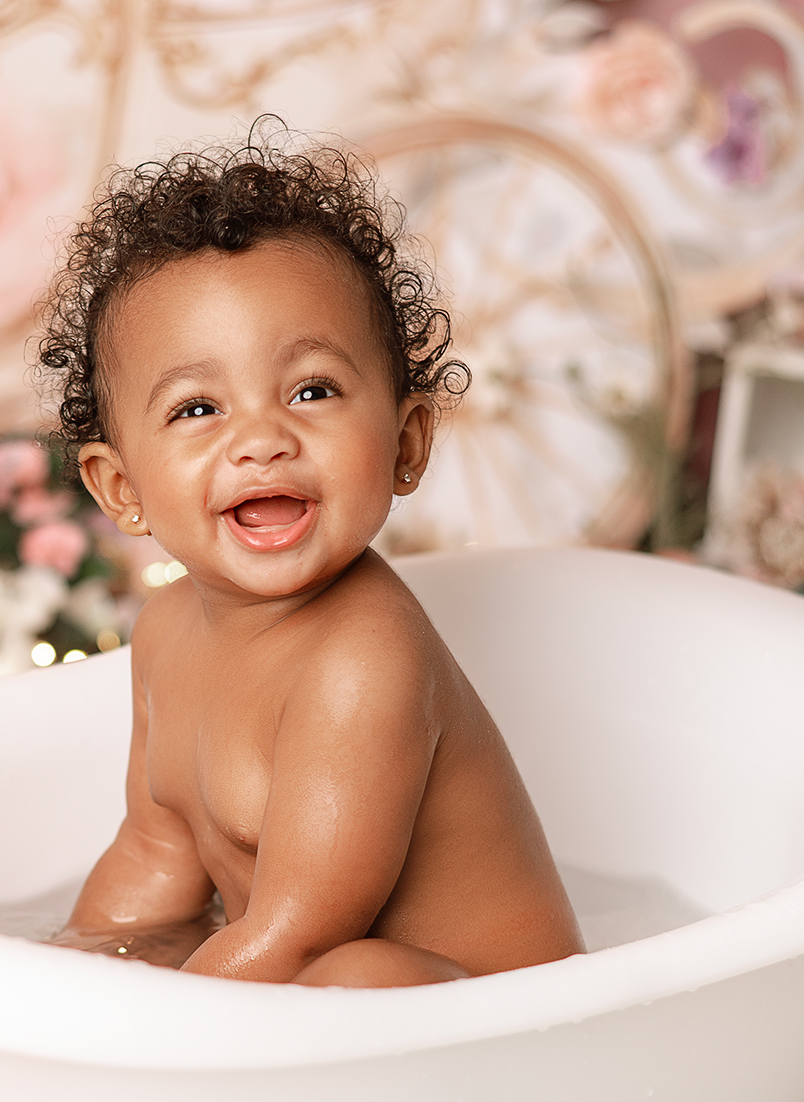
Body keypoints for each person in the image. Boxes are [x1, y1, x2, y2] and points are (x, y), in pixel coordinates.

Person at [37, 130, 583, 987]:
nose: (260, 439)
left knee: (352, 974)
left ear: (405, 441)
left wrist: (141, 1040)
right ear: (119, 488)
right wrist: (60, 975)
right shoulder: (166, 633)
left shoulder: (364, 658)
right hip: (298, 997)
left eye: (312, 390)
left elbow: (298, 931)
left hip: (503, 1013)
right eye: (195, 408)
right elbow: (155, 859)